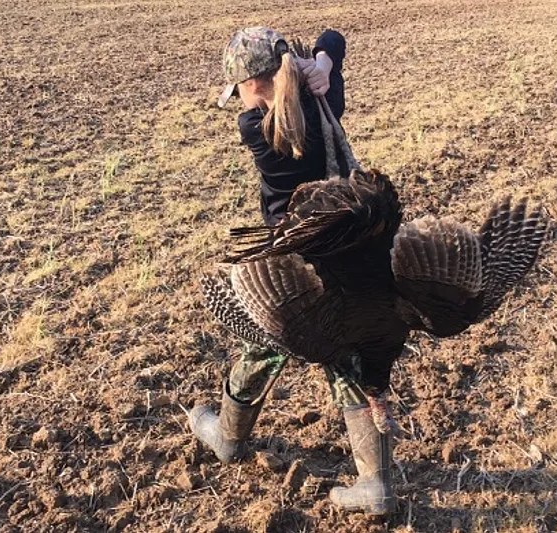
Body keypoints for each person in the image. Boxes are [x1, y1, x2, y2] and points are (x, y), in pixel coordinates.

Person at [188, 27, 395, 516]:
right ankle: (375, 483)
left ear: (250, 85)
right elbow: (333, 36)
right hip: (346, 259)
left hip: (290, 270)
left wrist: (305, 70)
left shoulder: (254, 127)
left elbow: (273, 99)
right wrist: (321, 65)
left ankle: (229, 437)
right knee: (346, 355)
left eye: (239, 88)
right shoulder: (324, 100)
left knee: (263, 341)